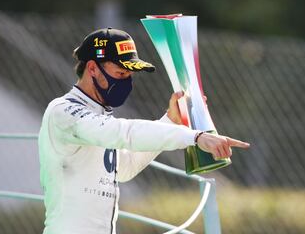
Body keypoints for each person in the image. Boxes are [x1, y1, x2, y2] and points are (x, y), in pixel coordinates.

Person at [38, 27, 250, 234]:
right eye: (120, 73)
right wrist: (195, 137)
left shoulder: (100, 117)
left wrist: (170, 121)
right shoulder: (64, 112)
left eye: (129, 75)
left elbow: (125, 167)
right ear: (92, 68)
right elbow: (125, 133)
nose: (126, 81)